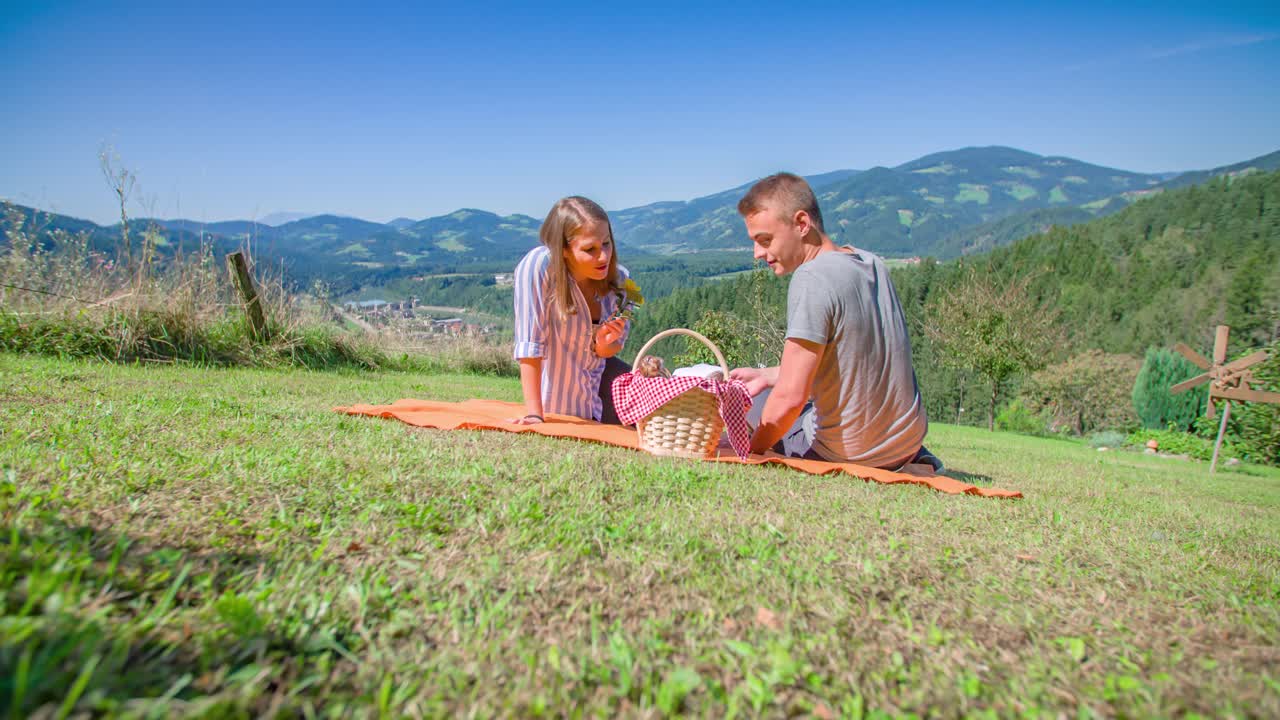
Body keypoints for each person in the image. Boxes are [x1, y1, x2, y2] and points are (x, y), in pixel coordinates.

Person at [728, 173, 942, 473]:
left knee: (745, 407)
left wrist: (751, 451)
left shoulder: (811, 277)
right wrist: (768, 374)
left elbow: (790, 398)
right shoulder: (872, 264)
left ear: (802, 224)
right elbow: (855, 362)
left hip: (848, 453)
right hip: (905, 445)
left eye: (765, 240)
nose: (758, 253)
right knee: (768, 393)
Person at [508, 196, 632, 425]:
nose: (603, 256)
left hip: (600, 395)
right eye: (590, 249)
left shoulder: (621, 281)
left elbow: (608, 351)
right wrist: (535, 414)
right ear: (563, 249)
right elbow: (529, 344)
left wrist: (604, 344)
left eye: (606, 243)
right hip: (555, 403)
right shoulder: (538, 266)